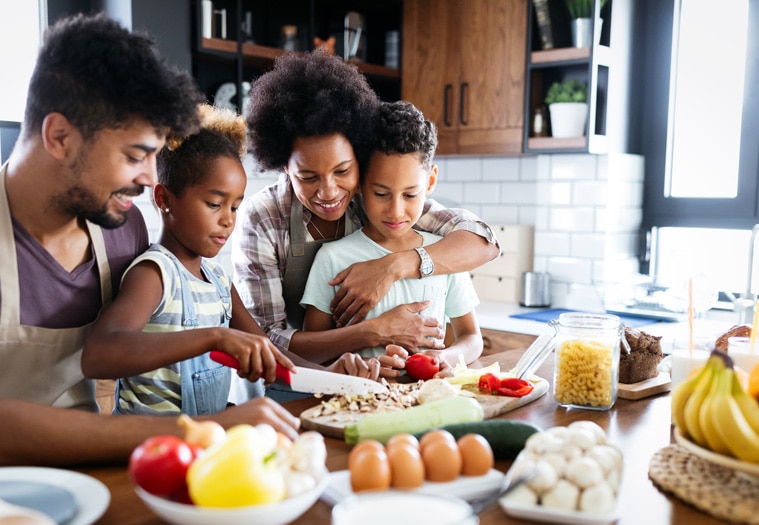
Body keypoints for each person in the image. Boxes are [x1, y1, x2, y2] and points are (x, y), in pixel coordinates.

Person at [0, 13, 297, 479]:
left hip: (85, 478)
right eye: (135, 156)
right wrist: (201, 430)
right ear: (59, 137)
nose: (151, 178)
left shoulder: (121, 229)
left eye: (154, 155)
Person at [81, 105, 379, 416]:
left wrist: (330, 375)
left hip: (204, 443)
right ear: (164, 199)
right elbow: (99, 354)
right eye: (214, 204)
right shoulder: (154, 274)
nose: (228, 220)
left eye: (235, 207)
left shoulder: (219, 281)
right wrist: (214, 337)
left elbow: (270, 352)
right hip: (150, 447)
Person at [233, 50, 500, 380]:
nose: (329, 192)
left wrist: (391, 267)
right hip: (285, 383)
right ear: (283, 166)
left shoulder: (377, 197)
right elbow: (267, 339)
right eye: (308, 177)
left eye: (342, 170)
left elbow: (483, 242)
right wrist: (375, 332)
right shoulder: (263, 217)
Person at [301, 101, 482, 371]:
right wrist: (362, 365)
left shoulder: (444, 255)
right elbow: (312, 352)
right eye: (381, 194)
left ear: (430, 182)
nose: (396, 211)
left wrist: (445, 359)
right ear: (360, 182)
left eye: (410, 194)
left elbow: (471, 337)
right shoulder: (333, 258)